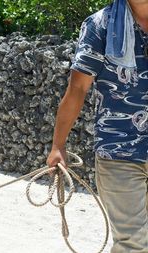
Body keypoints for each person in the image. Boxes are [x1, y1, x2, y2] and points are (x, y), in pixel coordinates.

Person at [47, 0, 148, 252]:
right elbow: (78, 89)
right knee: (133, 243)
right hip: (120, 152)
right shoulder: (100, 26)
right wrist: (58, 145)